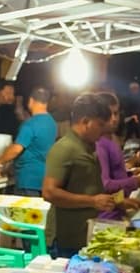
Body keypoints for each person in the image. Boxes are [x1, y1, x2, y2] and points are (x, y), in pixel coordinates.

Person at [42, 93, 116, 256]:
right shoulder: (65, 148)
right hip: (65, 239)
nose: (103, 130)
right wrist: (92, 201)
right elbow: (49, 192)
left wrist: (115, 202)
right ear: (85, 122)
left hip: (83, 237)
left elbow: (87, 188)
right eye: (100, 124)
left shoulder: (88, 148)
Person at [0, 86, 57, 196]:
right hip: (44, 179)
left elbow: (16, 149)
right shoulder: (52, 123)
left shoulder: (30, 124)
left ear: (31, 101)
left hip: (27, 181)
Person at [95, 91, 140, 220]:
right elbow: (105, 184)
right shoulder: (99, 144)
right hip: (105, 217)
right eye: (109, 114)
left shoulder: (112, 139)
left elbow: (113, 174)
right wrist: (135, 181)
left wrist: (130, 173)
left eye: (116, 113)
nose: (114, 119)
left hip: (116, 212)